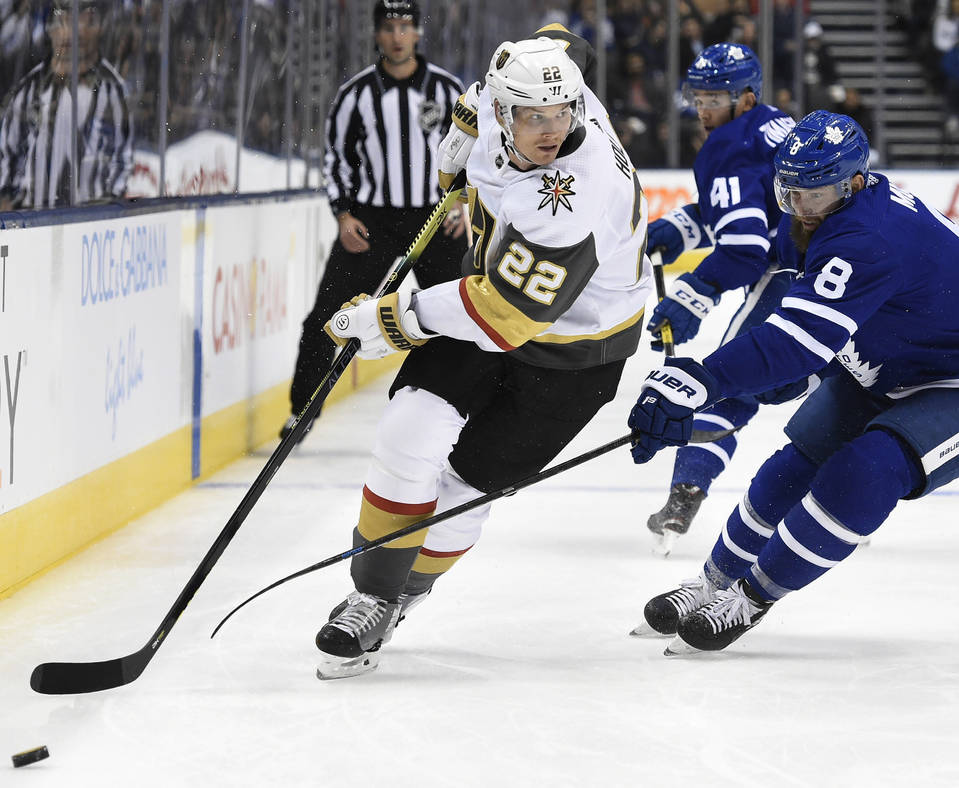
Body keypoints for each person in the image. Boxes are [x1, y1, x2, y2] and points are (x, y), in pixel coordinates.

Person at [628, 110, 959, 653]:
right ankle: (713, 582)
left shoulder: (866, 236)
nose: (798, 206)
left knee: (864, 470)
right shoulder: (816, 213)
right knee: (794, 464)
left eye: (812, 193)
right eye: (790, 190)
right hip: (894, 360)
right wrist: (695, 251)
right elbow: (760, 254)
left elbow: (796, 339)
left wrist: (704, 378)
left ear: (853, 183)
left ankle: (751, 599)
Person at [313, 35, 651, 679]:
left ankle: (401, 593)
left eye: (563, 114)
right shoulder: (513, 93)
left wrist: (393, 319)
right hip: (499, 295)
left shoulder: (577, 197)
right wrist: (462, 142)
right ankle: (370, 594)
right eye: (534, 116)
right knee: (409, 427)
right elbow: (551, 41)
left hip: (577, 352)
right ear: (504, 108)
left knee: (466, 484)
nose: (553, 129)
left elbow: (506, 316)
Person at [280, 0, 467, 442]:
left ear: (418, 33)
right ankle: (302, 411)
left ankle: (471, 403)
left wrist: (464, 204)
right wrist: (343, 214)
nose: (397, 36)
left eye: (405, 26)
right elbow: (336, 159)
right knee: (325, 318)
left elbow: (472, 153)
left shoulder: (446, 89)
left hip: (436, 219)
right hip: (371, 222)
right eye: (388, 27)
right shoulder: (356, 94)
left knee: (467, 313)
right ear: (377, 34)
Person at [641, 42, 796, 557]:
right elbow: (750, 206)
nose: (704, 108)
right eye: (699, 96)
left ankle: (686, 493)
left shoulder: (727, 146)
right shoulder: (775, 124)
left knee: (728, 381)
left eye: (716, 97)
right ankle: (849, 494)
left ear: (745, 99)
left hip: (798, 269)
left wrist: (694, 294)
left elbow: (748, 248)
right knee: (845, 380)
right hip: (852, 267)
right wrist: (687, 226)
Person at [0, 0, 132, 210]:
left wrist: (104, 210)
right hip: (34, 224)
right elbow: (7, 155)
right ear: (50, 33)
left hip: (89, 229)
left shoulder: (111, 90)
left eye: (74, 25)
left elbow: (121, 163)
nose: (67, 35)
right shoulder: (28, 90)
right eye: (60, 24)